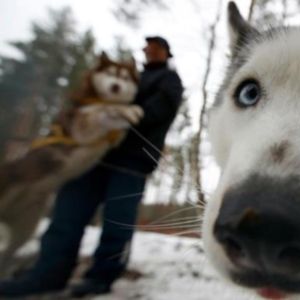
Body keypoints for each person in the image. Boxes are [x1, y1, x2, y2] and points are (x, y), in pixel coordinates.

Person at [0, 36, 183, 298]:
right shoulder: (132, 76)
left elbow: (160, 110)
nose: (149, 52)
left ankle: (102, 278)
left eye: (155, 49)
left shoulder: (169, 80)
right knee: (67, 214)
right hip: (91, 156)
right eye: (147, 49)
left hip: (132, 160)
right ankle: (47, 274)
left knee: (117, 221)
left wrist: (121, 119)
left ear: (166, 53)